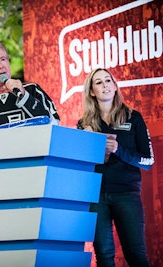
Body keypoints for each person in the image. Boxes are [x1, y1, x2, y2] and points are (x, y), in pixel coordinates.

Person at [77, 68, 154, 267]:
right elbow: (80, 165)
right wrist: (88, 143)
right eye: (99, 82)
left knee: (136, 255)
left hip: (126, 194)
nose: (105, 85)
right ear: (92, 91)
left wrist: (118, 149)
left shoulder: (133, 117)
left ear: (115, 85)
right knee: (103, 255)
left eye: (108, 80)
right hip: (96, 197)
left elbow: (148, 160)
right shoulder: (84, 124)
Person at [0, 41, 59, 131]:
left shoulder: (32, 90)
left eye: (3, 59)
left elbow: (54, 123)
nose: (0, 66)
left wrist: (25, 97)